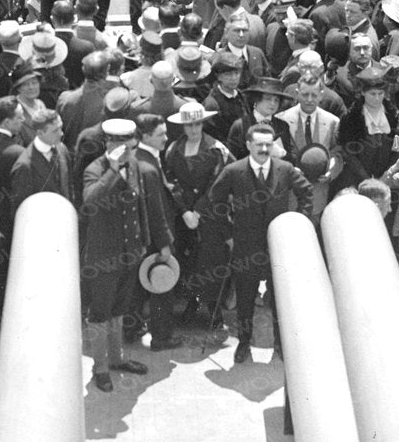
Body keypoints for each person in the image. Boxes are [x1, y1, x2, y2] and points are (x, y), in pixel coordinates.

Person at [203, 122, 312, 364]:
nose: (264, 148)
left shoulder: (285, 169)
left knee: (279, 298)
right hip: (245, 245)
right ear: (249, 145)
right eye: (259, 144)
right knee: (245, 297)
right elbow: (214, 201)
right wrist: (228, 233)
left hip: (278, 247)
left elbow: (306, 193)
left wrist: (296, 226)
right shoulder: (233, 170)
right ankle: (243, 343)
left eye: (268, 144)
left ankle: (280, 344)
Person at [81, 116, 176, 390]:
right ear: (108, 143)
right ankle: (100, 367)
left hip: (131, 252)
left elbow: (142, 208)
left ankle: (117, 358)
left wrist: (150, 241)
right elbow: (91, 202)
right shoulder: (95, 169)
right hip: (103, 256)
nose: (126, 150)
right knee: (100, 311)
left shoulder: (134, 165)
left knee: (120, 308)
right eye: (120, 144)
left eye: (129, 144)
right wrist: (112, 171)